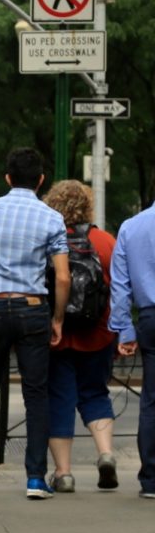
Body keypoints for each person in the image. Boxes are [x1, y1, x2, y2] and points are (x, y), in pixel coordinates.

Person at [0, 147, 69, 500]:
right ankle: (35, 478)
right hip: (31, 309)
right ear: (41, 180)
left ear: (7, 178)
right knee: (36, 395)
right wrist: (56, 318)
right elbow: (62, 278)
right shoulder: (51, 218)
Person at [43, 180, 118, 492]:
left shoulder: (48, 238)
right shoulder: (104, 241)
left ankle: (64, 473)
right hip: (98, 332)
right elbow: (117, 287)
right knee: (95, 392)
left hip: (56, 334)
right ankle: (105, 454)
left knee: (59, 397)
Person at [107, 198, 155, 500]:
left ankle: (151, 477)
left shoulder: (131, 227)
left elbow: (120, 286)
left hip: (150, 316)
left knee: (151, 400)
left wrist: (124, 329)